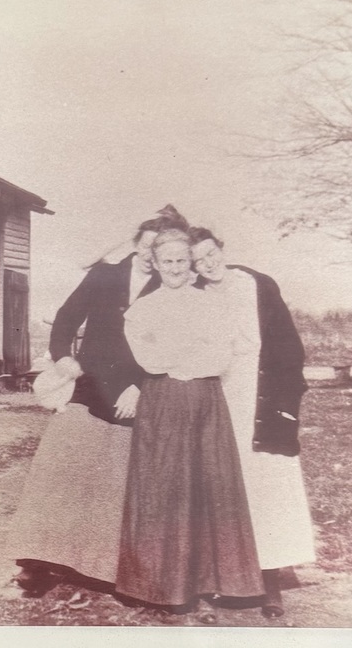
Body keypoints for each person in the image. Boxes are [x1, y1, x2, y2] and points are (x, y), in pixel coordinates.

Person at [8, 205, 189, 597]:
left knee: (113, 479)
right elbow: (66, 317)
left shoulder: (171, 288)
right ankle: (37, 561)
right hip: (89, 384)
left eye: (154, 250)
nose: (146, 256)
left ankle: (98, 567)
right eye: (142, 246)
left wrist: (141, 387)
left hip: (136, 391)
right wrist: (63, 356)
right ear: (136, 243)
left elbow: (176, 347)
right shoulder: (106, 275)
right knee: (60, 468)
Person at [116, 227, 263, 623]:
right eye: (168, 261)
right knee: (164, 487)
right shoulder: (143, 309)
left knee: (210, 485)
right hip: (163, 402)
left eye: (183, 261)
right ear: (157, 264)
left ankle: (217, 582)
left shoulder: (213, 306)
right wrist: (183, 355)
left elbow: (219, 355)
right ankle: (159, 585)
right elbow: (148, 357)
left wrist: (183, 358)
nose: (176, 268)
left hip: (203, 399)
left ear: (191, 264)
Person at [189, 226, 315, 618]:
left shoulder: (257, 285)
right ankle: (224, 577)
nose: (207, 264)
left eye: (210, 253)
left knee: (267, 488)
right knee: (224, 488)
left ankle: (271, 580)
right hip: (221, 397)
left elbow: (290, 349)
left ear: (221, 248)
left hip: (263, 398)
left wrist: (286, 403)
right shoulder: (193, 295)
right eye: (198, 260)